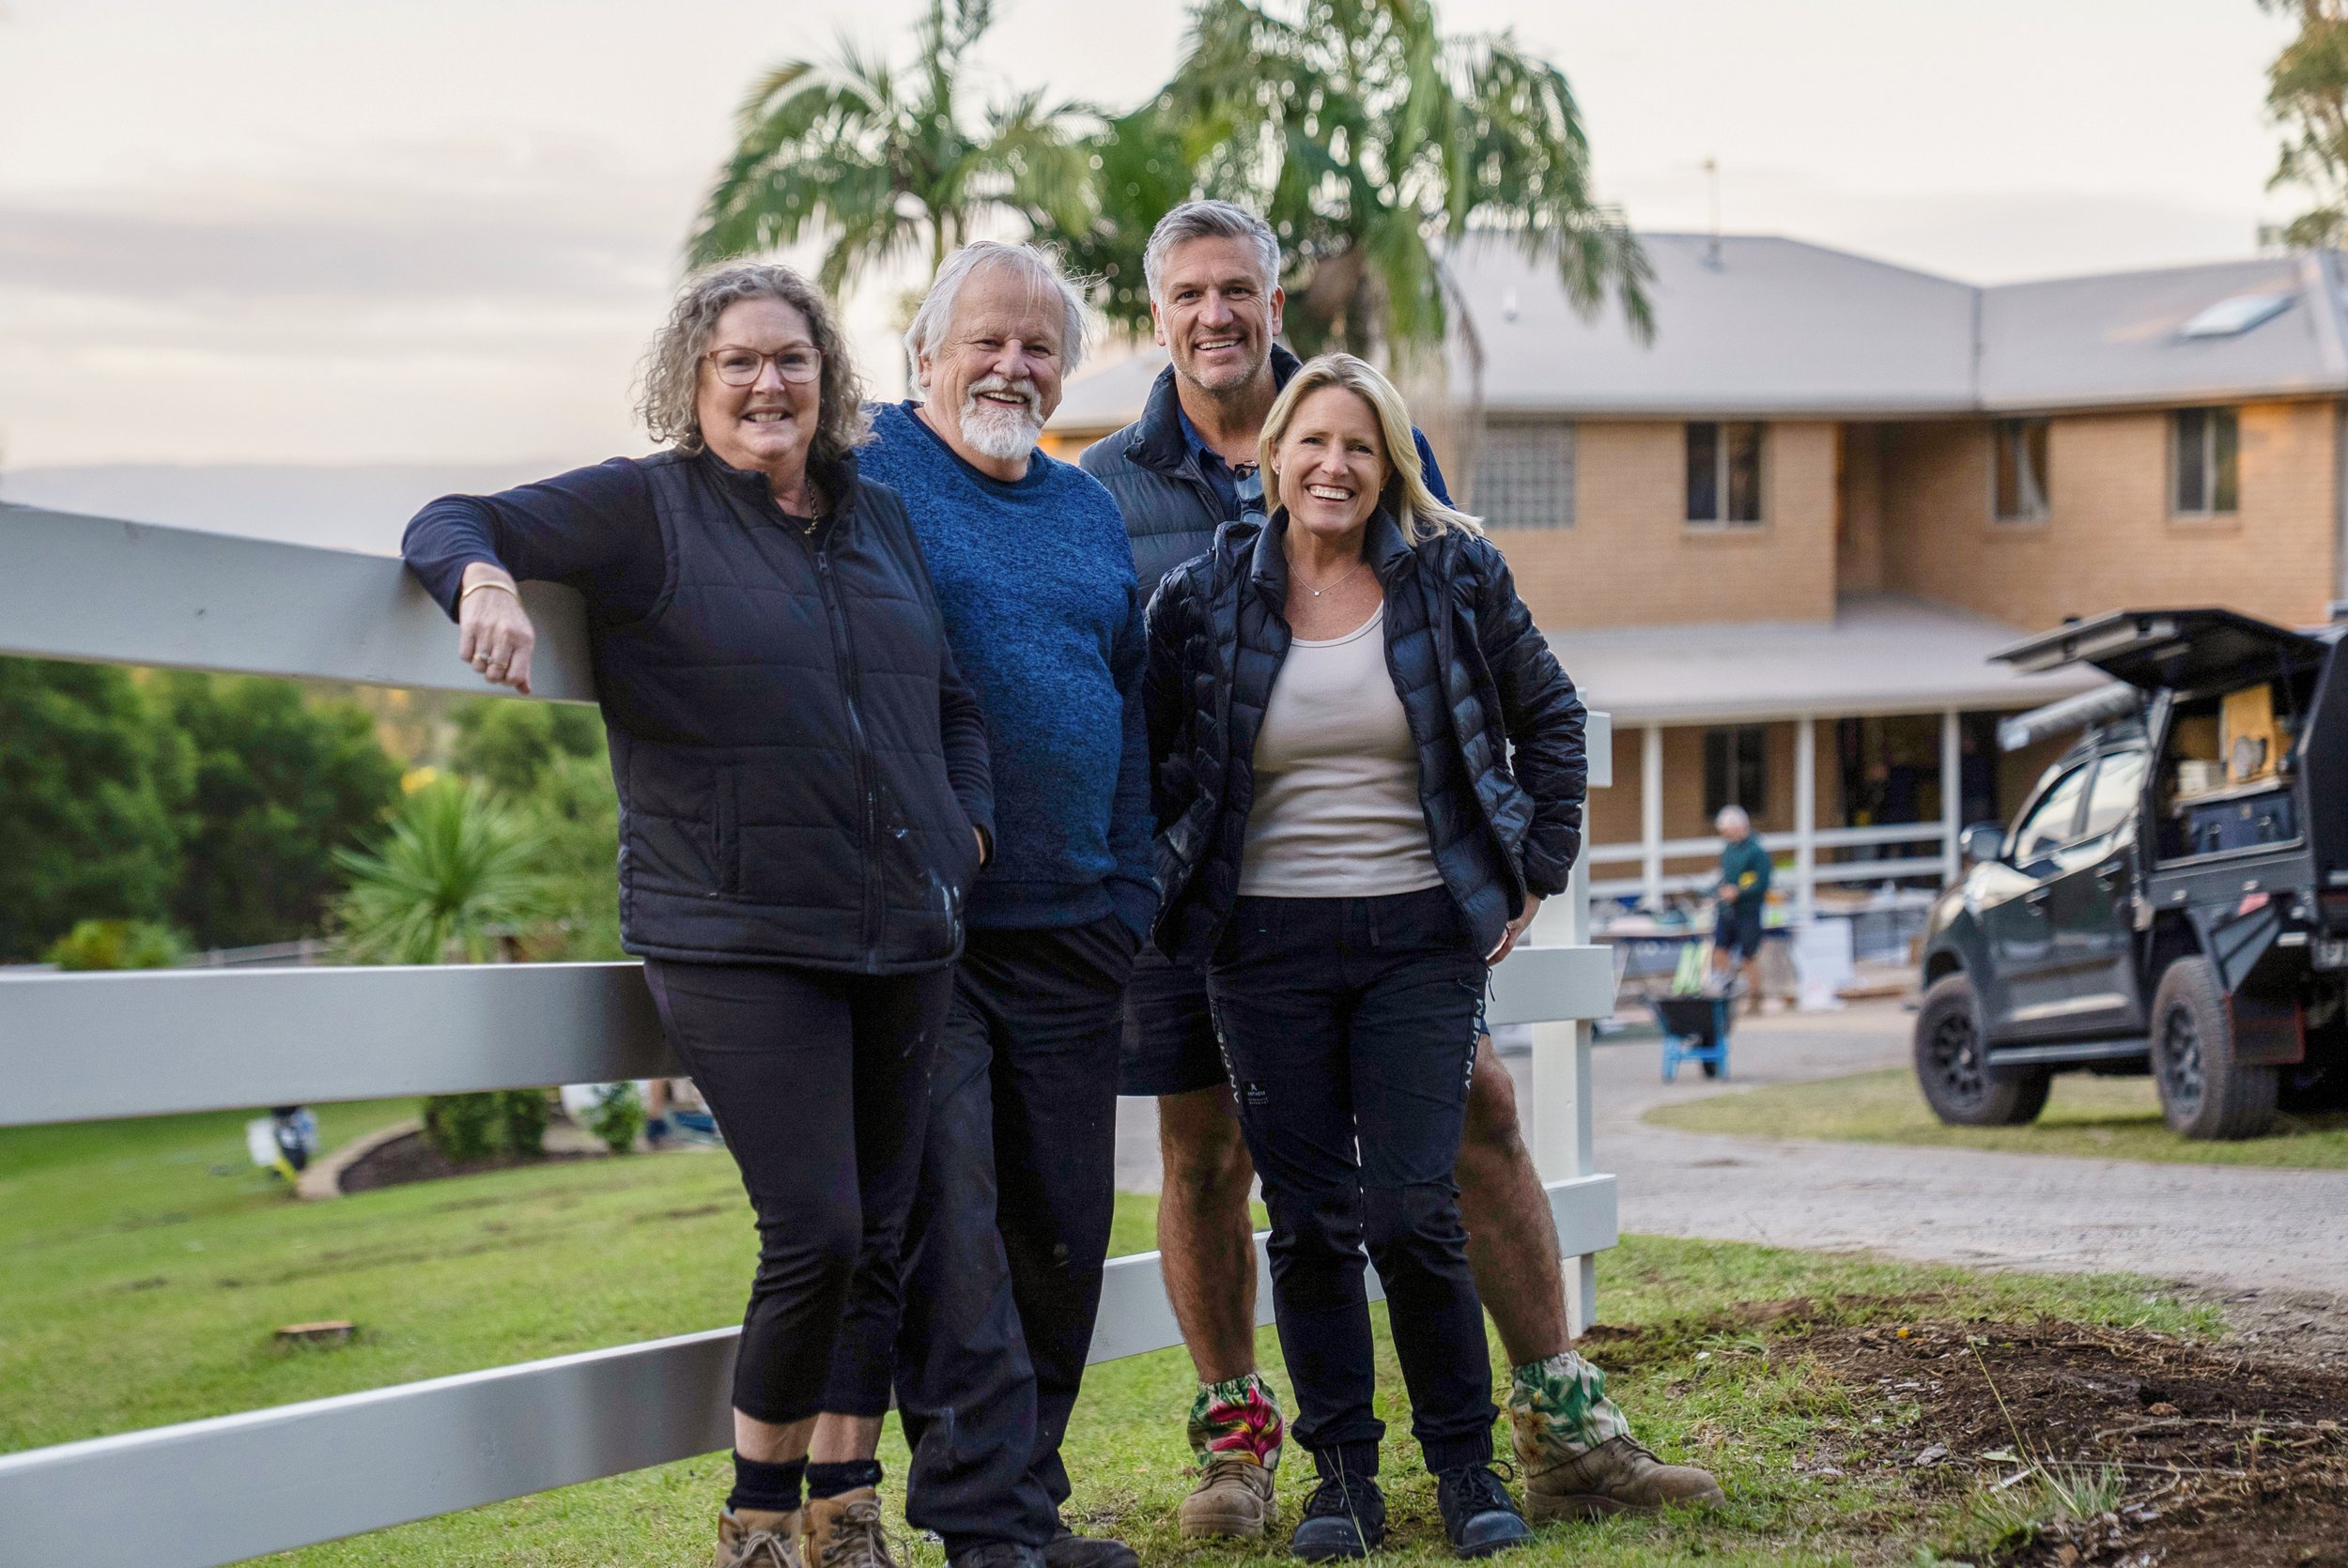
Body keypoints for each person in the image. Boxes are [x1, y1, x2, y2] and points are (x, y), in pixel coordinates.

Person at [1083, 199, 1719, 1536]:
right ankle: (1245, 1448)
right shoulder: (1103, 490)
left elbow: (1504, 679)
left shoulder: (1379, 453)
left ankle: (1557, 1428)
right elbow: (1109, 706)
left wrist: (1524, 860)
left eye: (1239, 290)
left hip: (1407, 919)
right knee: (1210, 1156)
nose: (1216, 314)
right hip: (1221, 911)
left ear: (1273, 305)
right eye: (1191, 292)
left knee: (1469, 1124)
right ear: (1158, 312)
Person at [401, 263, 993, 1568]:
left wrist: (968, 826)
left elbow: (948, 694)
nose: (768, 383)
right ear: (693, 380)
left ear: (826, 378)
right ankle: (757, 1518)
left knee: (881, 1233)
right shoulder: (644, 509)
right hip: (730, 928)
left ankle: (847, 1504)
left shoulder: (878, 518)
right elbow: (454, 515)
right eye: (739, 362)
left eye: (791, 359)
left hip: (904, 924)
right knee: (819, 1228)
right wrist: (484, 582)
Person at [848, 241, 1153, 1568]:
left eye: (1040, 346)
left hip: (1080, 926)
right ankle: (987, 1526)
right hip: (937, 932)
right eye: (988, 340)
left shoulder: (1089, 509)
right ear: (927, 356)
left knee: (1061, 1229)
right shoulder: (865, 469)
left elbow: (1132, 706)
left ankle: (1030, 1498)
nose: (1013, 366)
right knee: (956, 1223)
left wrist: (1134, 881)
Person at [1712, 806, 1772, 1010]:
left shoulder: (1757, 852)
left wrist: (1738, 892)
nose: (1725, 836)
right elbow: (1725, 875)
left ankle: (1756, 998)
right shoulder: (1728, 849)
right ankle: (1725, 994)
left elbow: (1762, 883)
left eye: (1728, 831)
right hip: (1727, 910)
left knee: (1749, 956)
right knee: (1719, 951)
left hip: (1747, 911)